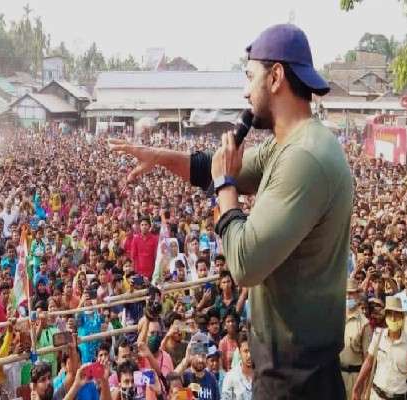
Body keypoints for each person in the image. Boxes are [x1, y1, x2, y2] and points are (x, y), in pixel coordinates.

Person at [111, 24, 352, 398]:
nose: (245, 91)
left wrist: (225, 187)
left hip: (297, 378)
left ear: (275, 77)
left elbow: (244, 263)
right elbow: (215, 165)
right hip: (292, 368)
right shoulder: (292, 144)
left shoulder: (304, 157)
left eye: (249, 77)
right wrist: (160, 158)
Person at [352, 296, 407, 400]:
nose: (393, 318)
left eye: (397, 314)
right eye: (390, 314)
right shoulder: (378, 335)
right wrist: (356, 387)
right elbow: (368, 362)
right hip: (376, 395)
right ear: (386, 316)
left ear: (402, 317)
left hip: (398, 397)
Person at [340, 279, 371, 400]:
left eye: (352, 293)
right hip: (337, 374)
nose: (348, 296)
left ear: (358, 295)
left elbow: (367, 359)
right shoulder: (336, 317)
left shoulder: (364, 324)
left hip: (354, 377)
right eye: (346, 293)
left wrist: (362, 387)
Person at [221, 333, 253, 400]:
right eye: (246, 351)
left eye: (252, 350)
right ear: (239, 351)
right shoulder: (231, 377)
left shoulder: (263, 376)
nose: (249, 355)